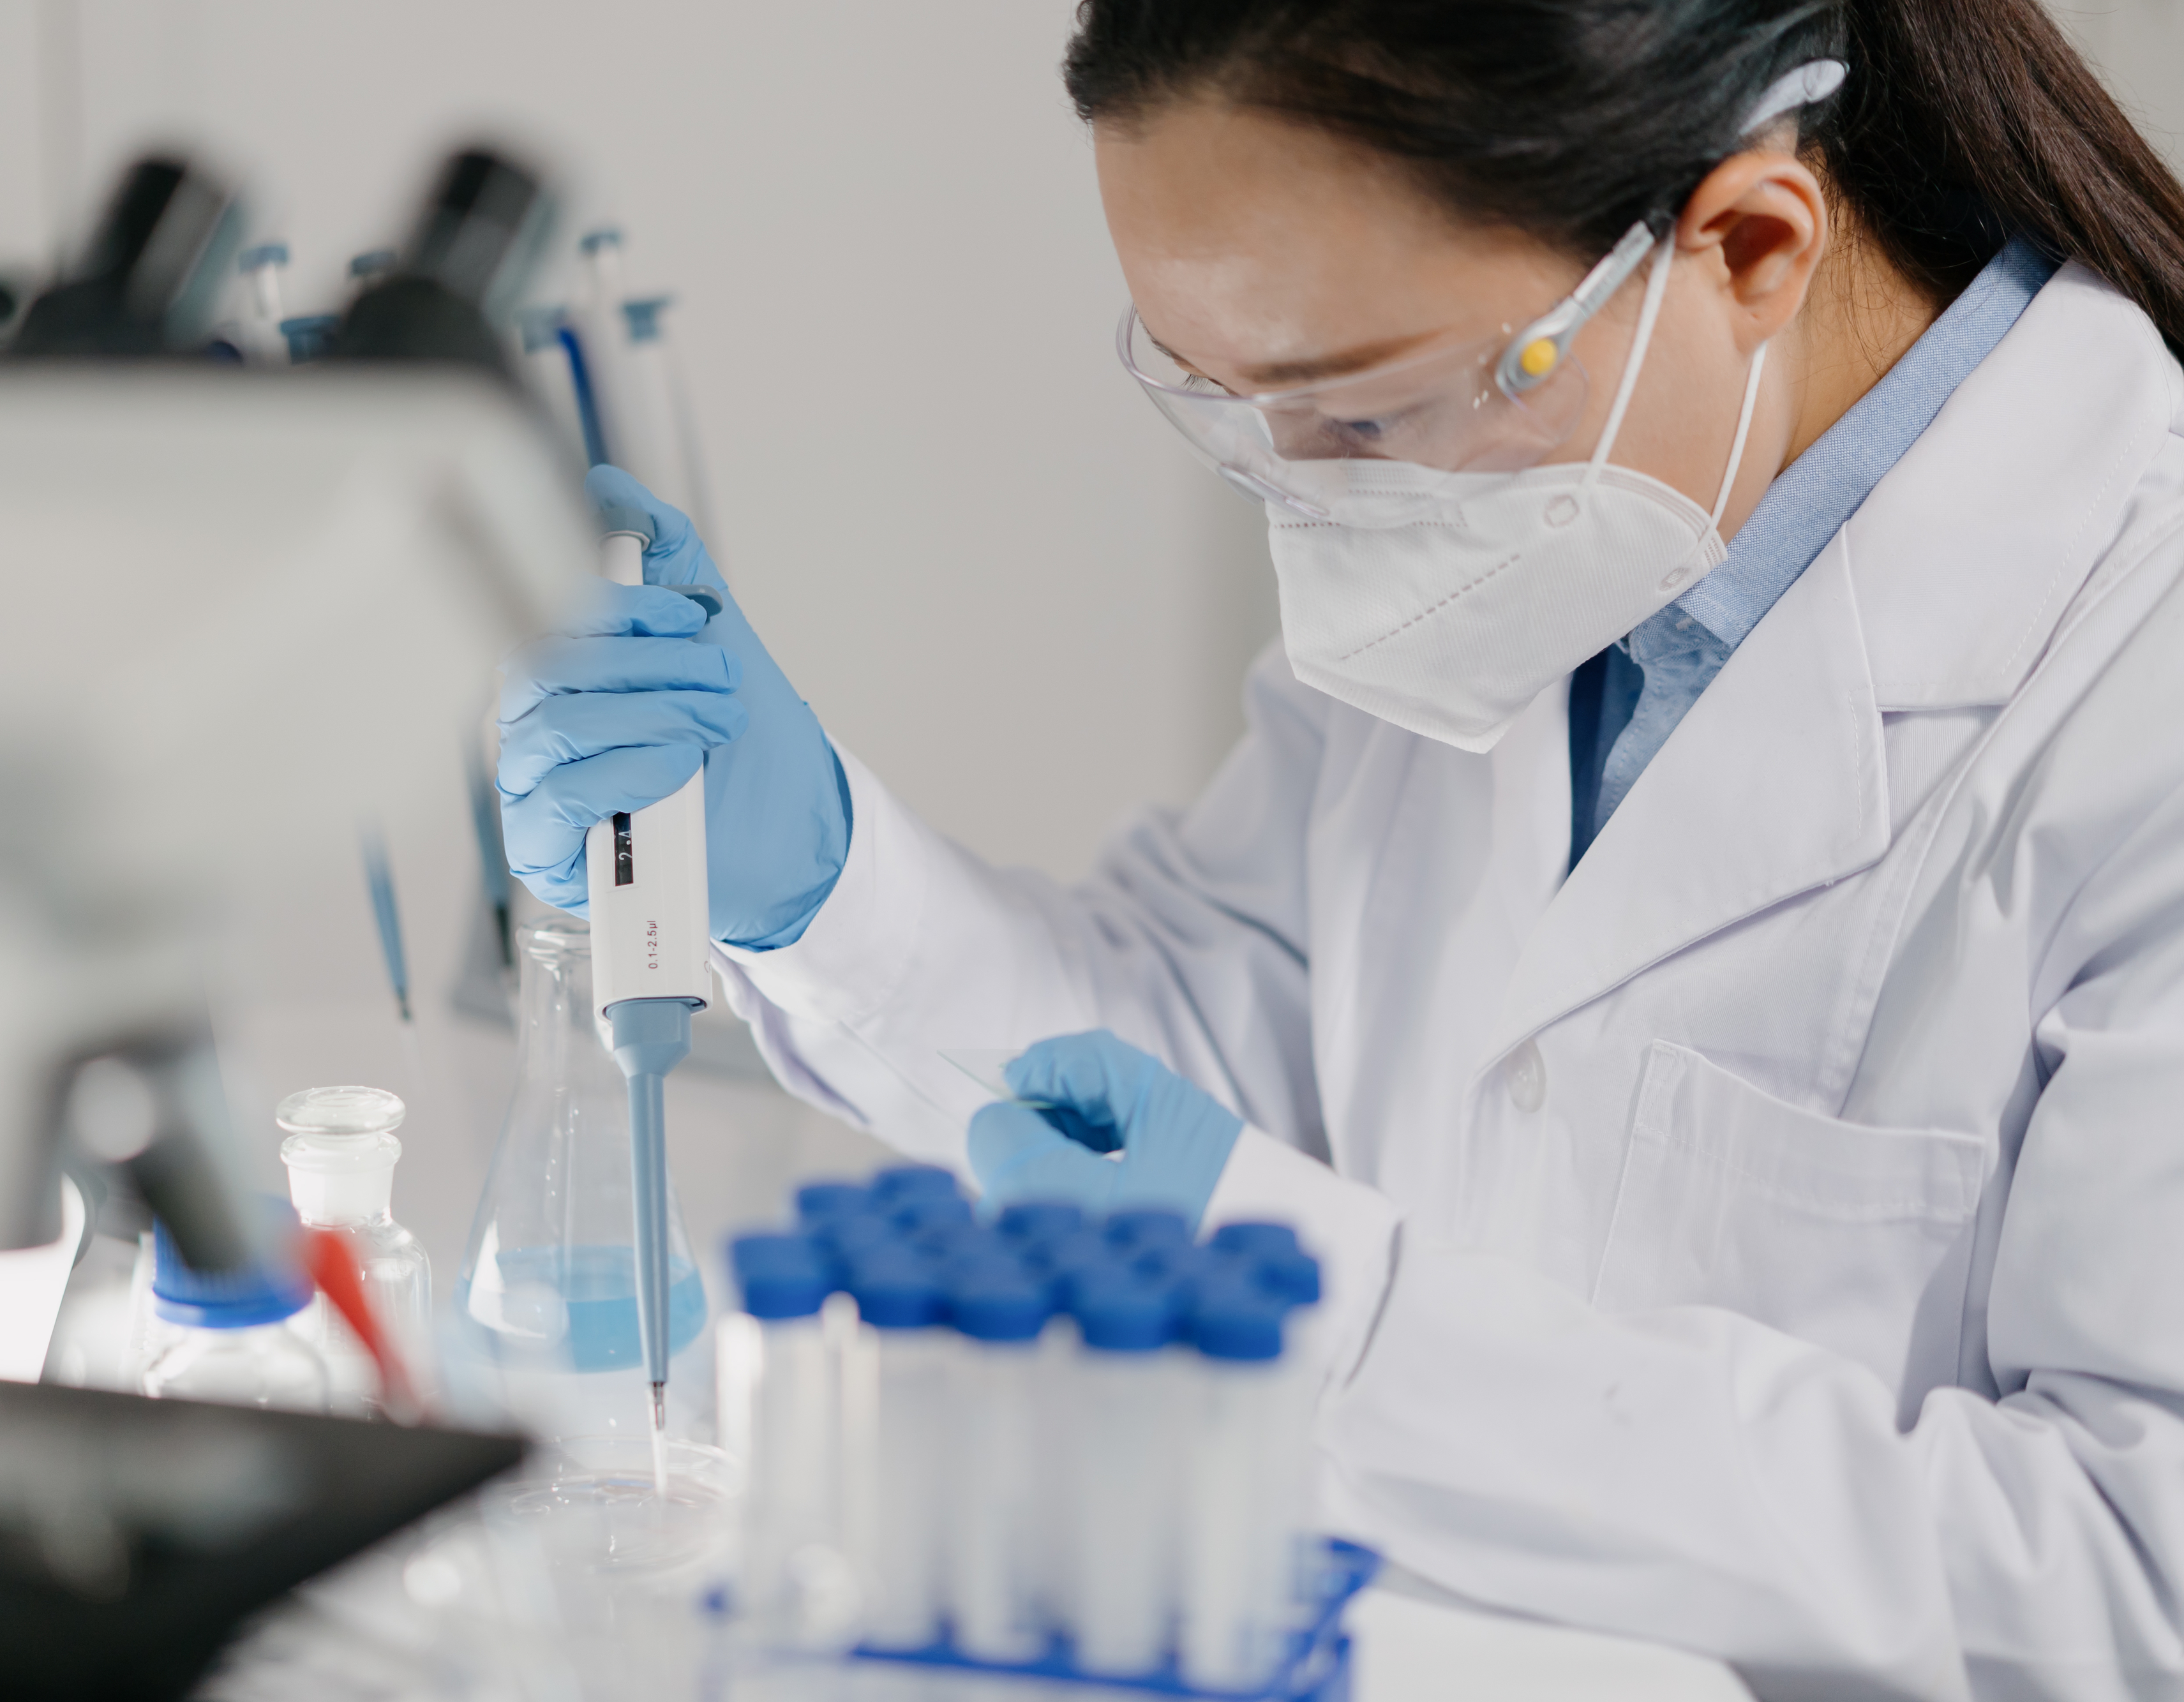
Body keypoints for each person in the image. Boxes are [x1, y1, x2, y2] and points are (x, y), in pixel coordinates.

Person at [494, 1, 2184, 1694]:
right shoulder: (1542, 540)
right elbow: (1199, 1074)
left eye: (1363, 411)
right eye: (1227, 405)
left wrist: (1348, 1323)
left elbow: (2126, 1584)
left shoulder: (2133, 665)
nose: (1315, 503)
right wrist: (824, 877)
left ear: (1748, 244)